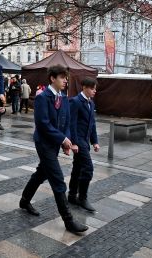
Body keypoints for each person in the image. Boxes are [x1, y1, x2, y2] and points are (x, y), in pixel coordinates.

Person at [18, 65, 88, 233]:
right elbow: (43, 124)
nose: (65, 81)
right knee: (57, 180)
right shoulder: (43, 97)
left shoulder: (63, 98)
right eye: (62, 78)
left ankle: (24, 199)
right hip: (43, 143)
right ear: (52, 78)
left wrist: (67, 141)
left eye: (66, 78)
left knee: (41, 172)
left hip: (56, 143)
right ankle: (68, 221)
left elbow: (67, 122)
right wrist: (62, 139)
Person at [67, 77, 100, 212]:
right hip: (78, 141)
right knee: (88, 169)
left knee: (78, 169)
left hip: (85, 141)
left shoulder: (90, 103)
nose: (94, 91)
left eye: (95, 89)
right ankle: (82, 198)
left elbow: (92, 124)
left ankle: (72, 195)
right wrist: (73, 143)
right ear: (84, 88)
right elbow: (72, 124)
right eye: (92, 88)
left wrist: (95, 141)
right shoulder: (75, 101)